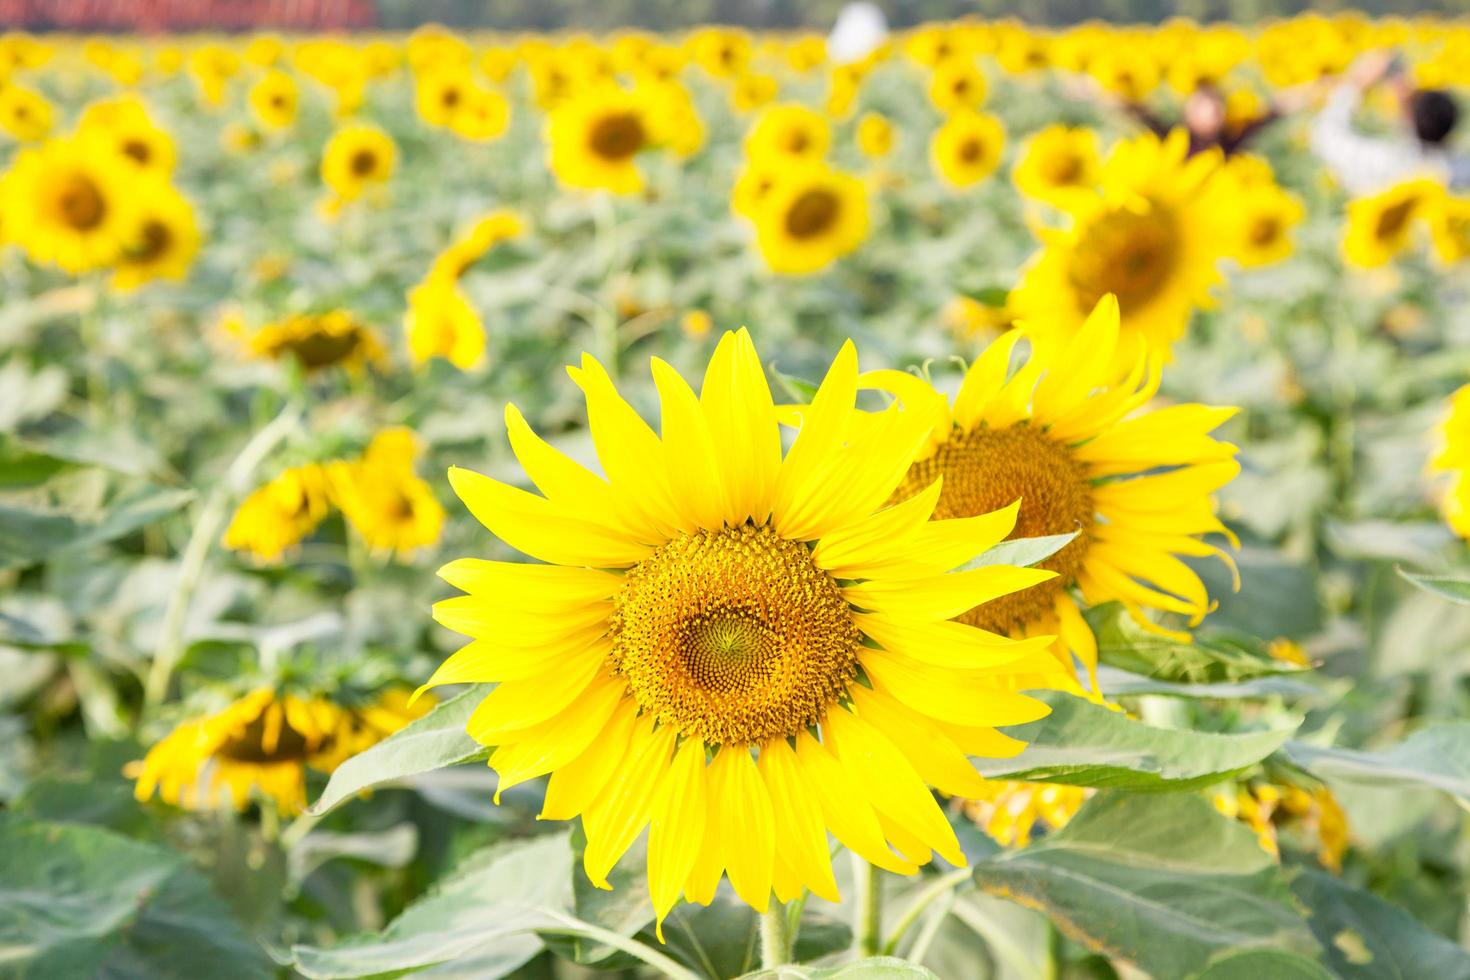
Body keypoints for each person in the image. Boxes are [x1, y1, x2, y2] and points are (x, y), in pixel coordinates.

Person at [1310, 50, 1470, 196]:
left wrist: (1353, 86)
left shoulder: (1383, 162)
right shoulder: (1460, 170)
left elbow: (1328, 137)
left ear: (1409, 117)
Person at [1124, 82, 1284, 158]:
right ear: (1189, 112)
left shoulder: (1229, 142)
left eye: (1217, 106)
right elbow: (1138, 115)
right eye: (1205, 107)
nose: (1214, 112)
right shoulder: (1175, 139)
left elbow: (1270, 114)